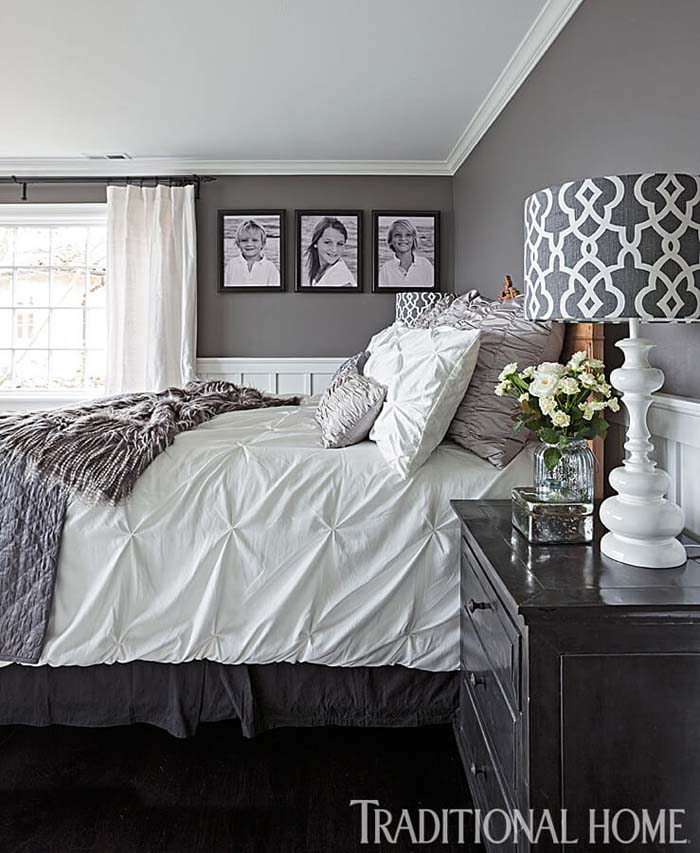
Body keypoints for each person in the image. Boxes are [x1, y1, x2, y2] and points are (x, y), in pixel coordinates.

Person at [378, 218, 434, 288]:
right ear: (391, 240)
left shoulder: (425, 265)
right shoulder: (386, 268)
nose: (403, 238)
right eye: (398, 235)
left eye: (408, 235)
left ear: (414, 239)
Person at [224, 219, 280, 287]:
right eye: (244, 240)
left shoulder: (270, 268)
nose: (249, 244)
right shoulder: (231, 265)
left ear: (263, 243)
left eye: (255, 240)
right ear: (238, 243)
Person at [305, 217, 356, 287]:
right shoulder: (319, 269)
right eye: (328, 242)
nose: (334, 250)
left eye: (340, 244)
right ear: (315, 243)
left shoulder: (342, 278)